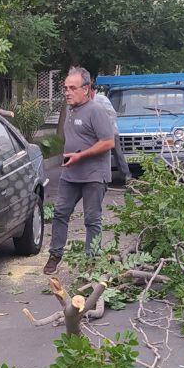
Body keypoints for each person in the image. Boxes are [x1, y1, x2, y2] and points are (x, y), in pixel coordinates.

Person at [44, 66, 117, 275]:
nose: (67, 92)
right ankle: (55, 255)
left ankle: (91, 262)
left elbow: (108, 142)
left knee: (91, 219)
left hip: (94, 176)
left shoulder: (96, 111)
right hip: (71, 174)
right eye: (65, 88)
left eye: (72, 88)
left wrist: (81, 155)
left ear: (86, 89)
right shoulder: (69, 109)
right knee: (60, 213)